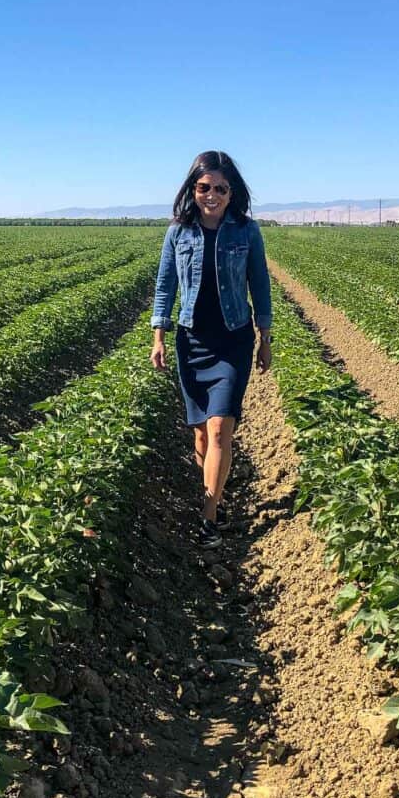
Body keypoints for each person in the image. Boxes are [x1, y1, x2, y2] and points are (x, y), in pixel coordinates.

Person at [150, 150, 273, 547]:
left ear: (231, 192)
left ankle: (209, 517)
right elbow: (165, 286)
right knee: (202, 436)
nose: (212, 195)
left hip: (233, 338)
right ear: (193, 189)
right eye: (205, 187)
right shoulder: (178, 232)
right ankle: (214, 492)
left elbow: (261, 286)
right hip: (193, 341)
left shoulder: (246, 231)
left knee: (221, 427)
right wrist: (159, 336)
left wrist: (265, 338)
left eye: (221, 188)